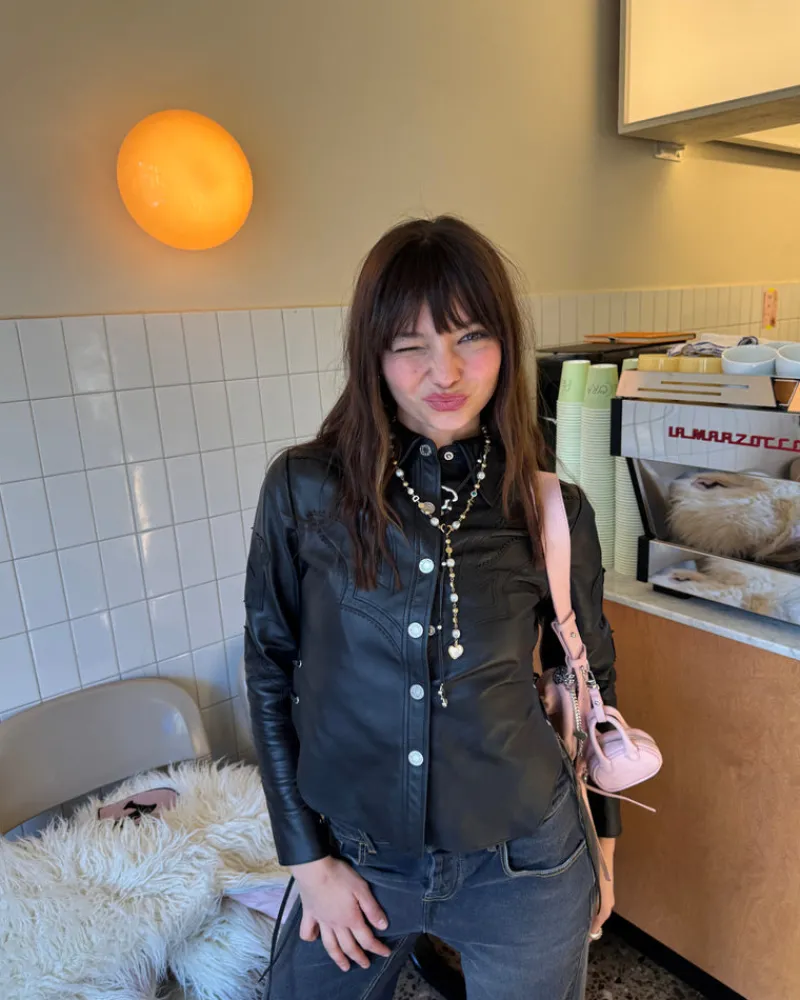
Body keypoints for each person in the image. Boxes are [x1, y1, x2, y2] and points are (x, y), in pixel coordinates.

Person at [244, 216, 620, 1000]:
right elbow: (270, 668)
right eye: (410, 344)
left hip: (528, 863)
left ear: (506, 344)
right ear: (372, 355)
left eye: (471, 336)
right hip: (352, 857)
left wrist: (605, 849)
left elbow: (592, 680)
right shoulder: (303, 490)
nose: (444, 371)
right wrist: (307, 861)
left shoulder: (553, 509)